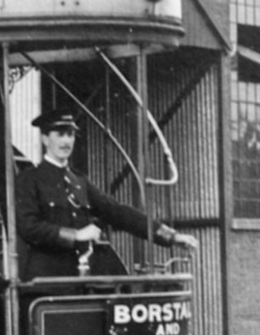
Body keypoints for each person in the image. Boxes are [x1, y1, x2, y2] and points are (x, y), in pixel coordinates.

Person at [15, 108, 197, 280]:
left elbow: (118, 212)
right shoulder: (29, 179)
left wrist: (171, 237)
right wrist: (76, 235)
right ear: (45, 139)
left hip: (82, 279)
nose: (66, 141)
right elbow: (28, 227)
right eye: (60, 134)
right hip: (47, 283)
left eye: (70, 134)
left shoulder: (79, 181)